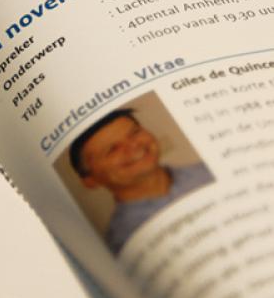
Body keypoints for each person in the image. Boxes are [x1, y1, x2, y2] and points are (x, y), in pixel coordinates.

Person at [69, 108, 213, 254]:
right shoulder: (123, 245)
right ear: (90, 180)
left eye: (134, 133)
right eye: (112, 150)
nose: (132, 146)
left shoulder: (209, 167)